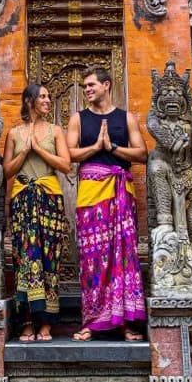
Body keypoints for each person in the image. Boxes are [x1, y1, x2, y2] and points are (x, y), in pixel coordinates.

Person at [66, 66, 148, 342]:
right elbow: (69, 154)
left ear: (106, 85)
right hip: (91, 194)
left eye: (91, 85)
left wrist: (113, 147)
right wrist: (96, 147)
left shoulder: (126, 118)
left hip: (120, 192)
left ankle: (124, 322)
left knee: (123, 258)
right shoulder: (79, 118)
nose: (87, 90)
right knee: (93, 259)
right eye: (85, 87)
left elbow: (142, 154)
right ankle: (91, 321)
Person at [3, 84, 71, 342]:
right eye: (42, 96)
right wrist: (25, 151)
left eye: (48, 96)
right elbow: (7, 171)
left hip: (50, 197)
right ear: (29, 101)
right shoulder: (14, 133)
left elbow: (65, 165)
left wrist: (39, 149)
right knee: (24, 258)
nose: (47, 100)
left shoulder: (55, 131)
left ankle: (47, 323)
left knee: (47, 258)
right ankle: (28, 321)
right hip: (22, 197)